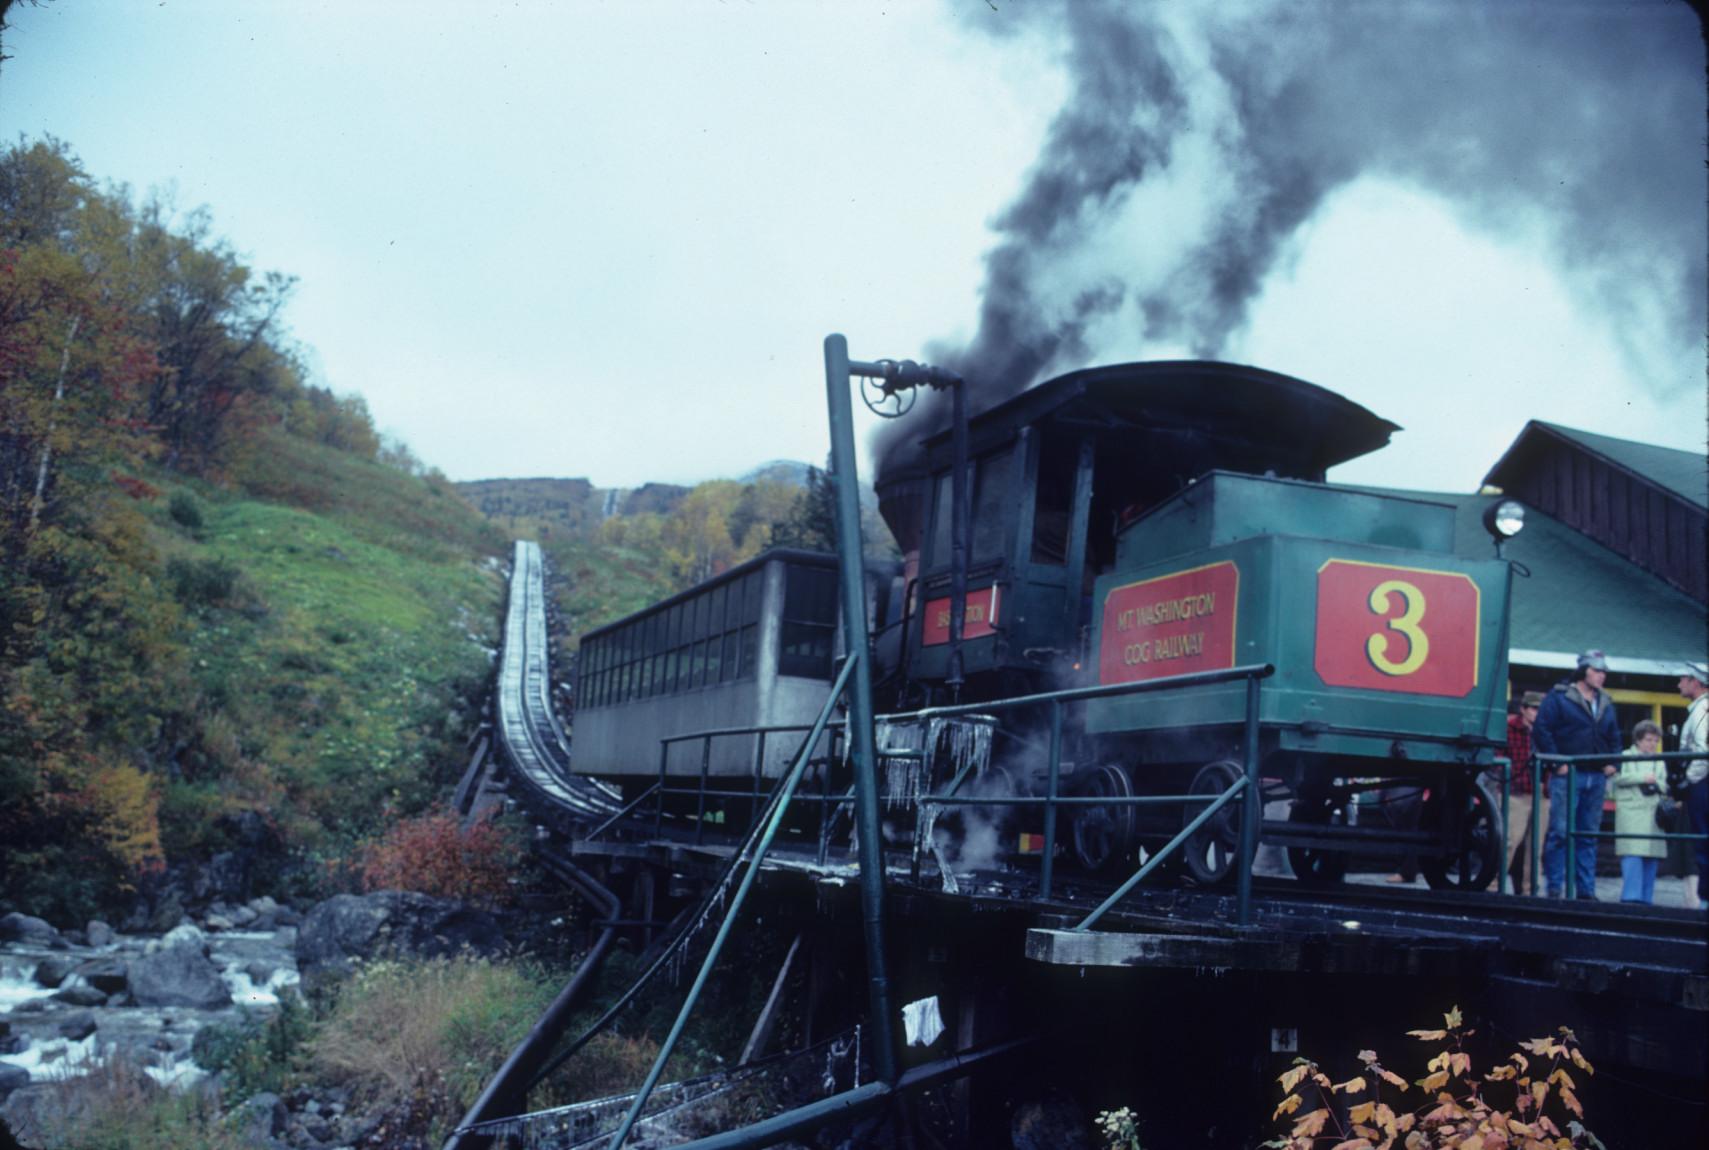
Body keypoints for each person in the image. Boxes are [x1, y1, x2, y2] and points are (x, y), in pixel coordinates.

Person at [1533, 650, 1621, 900]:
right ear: (1583, 671)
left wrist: (1614, 762)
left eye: (1604, 672)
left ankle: (1586, 891)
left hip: (1596, 776)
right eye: (1596, 671)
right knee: (1560, 833)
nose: (1601, 676)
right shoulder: (1560, 696)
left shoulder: (1605, 701)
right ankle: (1555, 889)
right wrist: (1557, 762)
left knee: (1588, 835)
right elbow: (1542, 729)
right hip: (1568, 773)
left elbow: (1614, 735)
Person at [1612, 720, 1666, 904]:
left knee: (1652, 856)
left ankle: (1646, 899)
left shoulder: (1660, 759)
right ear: (1638, 740)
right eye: (1648, 740)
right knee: (1632, 854)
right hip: (1632, 813)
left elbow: (1666, 783)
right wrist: (1642, 778)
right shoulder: (1625, 755)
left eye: (1655, 740)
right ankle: (1630, 897)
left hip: (1653, 814)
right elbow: (1618, 778)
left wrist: (1657, 783)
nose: (1652, 744)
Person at [1500, 692, 1545, 893]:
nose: (1537, 713)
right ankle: (1494, 885)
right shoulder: (1510, 728)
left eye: (1539, 709)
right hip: (1515, 792)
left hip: (1541, 793)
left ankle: (1530, 889)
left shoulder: (1545, 730)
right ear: (1523, 709)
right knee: (1509, 841)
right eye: (1534, 708)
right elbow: (1500, 759)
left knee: (1536, 848)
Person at [1678, 661, 1708, 908]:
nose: (1679, 683)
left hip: (1702, 783)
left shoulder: (1701, 710)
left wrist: (1689, 779)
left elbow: (1703, 751)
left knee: (1702, 838)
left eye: (1683, 679)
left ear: (1695, 682)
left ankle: (1705, 898)